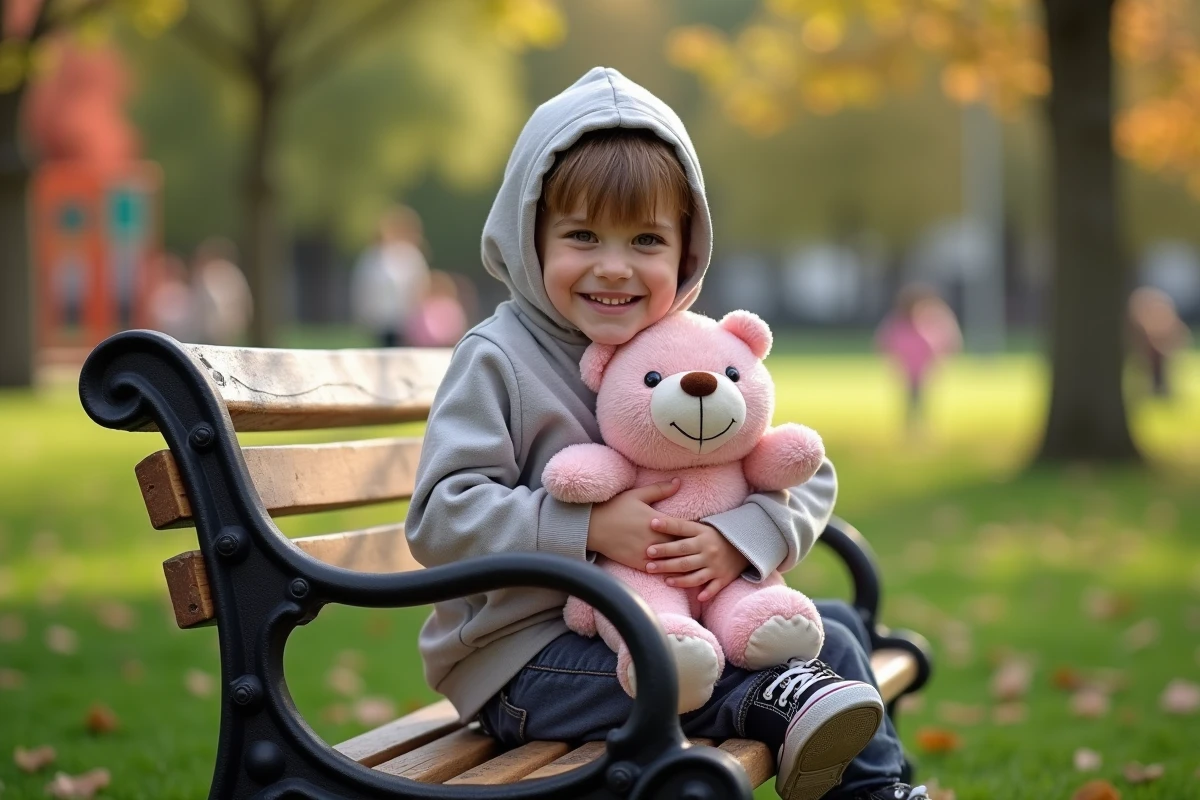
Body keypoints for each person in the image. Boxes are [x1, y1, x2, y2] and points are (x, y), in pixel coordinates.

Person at [405, 67, 926, 800]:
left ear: (686, 250)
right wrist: (586, 528)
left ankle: (880, 792)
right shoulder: (497, 359)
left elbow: (805, 472)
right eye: (581, 235)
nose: (613, 268)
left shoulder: (686, 346)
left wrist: (739, 536)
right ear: (531, 237)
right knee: (765, 673)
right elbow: (439, 516)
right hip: (527, 662)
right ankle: (804, 731)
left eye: (645, 239)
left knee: (835, 632)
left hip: (675, 623)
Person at [874, 284, 961, 431]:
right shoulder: (899, 322)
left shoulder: (930, 318)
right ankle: (912, 428)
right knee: (911, 400)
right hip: (908, 369)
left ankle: (919, 428)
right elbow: (884, 342)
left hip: (923, 369)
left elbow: (946, 341)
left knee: (920, 399)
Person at [350, 206, 431, 347]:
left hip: (405, 321)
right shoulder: (372, 257)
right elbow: (364, 288)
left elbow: (419, 286)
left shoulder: (410, 255)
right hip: (380, 320)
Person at [1128, 286, 1192, 398]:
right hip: (1150, 343)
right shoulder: (1143, 316)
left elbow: (1181, 335)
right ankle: (1155, 387)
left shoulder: (1167, 316)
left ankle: (1161, 388)